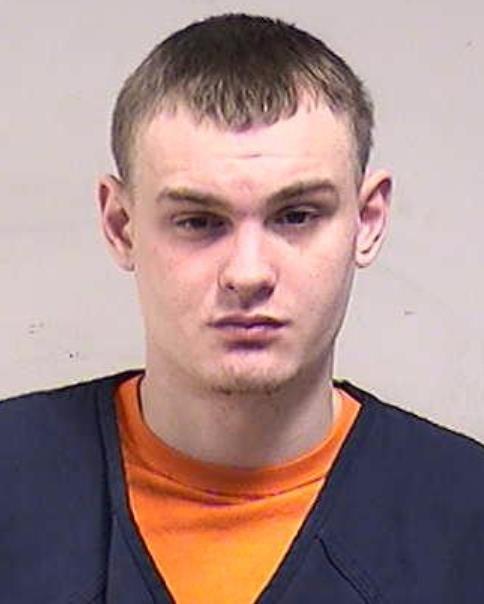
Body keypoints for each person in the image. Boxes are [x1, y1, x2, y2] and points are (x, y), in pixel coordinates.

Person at [1, 13, 483, 604]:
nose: (248, 273)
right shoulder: (12, 481)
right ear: (121, 225)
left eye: (296, 216)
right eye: (198, 221)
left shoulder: (467, 521)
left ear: (369, 221)